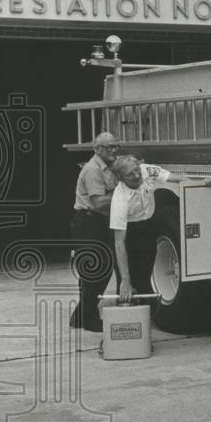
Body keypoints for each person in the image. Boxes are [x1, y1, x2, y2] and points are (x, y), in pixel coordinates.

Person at [109, 155, 211, 304]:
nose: (137, 175)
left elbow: (173, 178)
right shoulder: (120, 200)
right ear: (120, 178)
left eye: (137, 170)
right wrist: (125, 281)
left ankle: (145, 312)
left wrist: (199, 183)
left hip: (148, 227)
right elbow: (119, 243)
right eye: (130, 174)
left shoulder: (146, 170)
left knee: (144, 276)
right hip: (129, 233)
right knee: (127, 283)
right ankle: (128, 314)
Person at [70, 132, 121, 331]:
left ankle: (80, 318)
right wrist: (123, 190)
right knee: (98, 271)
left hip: (97, 223)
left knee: (91, 273)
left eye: (116, 146)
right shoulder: (93, 170)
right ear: (97, 149)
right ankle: (88, 319)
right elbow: (99, 202)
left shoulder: (109, 167)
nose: (114, 150)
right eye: (109, 147)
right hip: (88, 223)